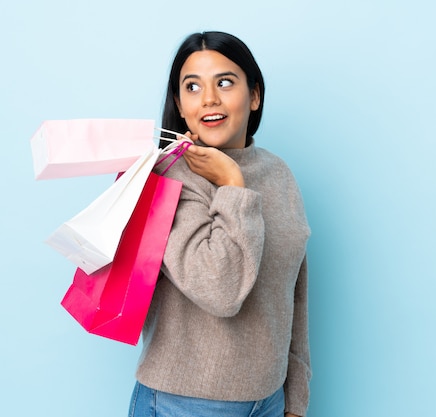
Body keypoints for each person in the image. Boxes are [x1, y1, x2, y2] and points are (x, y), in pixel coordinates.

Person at [129, 31, 311, 417]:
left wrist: (295, 398)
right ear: (179, 105)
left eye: (224, 83)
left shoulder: (279, 174)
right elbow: (221, 291)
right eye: (192, 87)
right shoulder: (170, 178)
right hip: (183, 403)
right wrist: (231, 183)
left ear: (255, 95)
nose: (209, 99)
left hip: (270, 400)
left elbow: (292, 296)